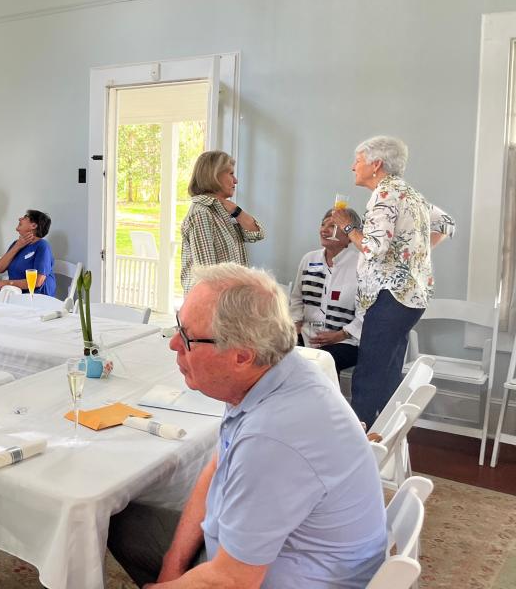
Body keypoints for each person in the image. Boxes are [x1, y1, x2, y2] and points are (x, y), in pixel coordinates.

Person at [108, 263, 387, 589]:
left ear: (240, 356)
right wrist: (172, 566)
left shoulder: (271, 438)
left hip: (280, 577)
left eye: (186, 337)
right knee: (121, 520)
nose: (173, 344)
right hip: (267, 558)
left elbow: (231, 580)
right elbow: (217, 466)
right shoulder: (275, 371)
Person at [331, 135, 455, 426]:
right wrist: (412, 254)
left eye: (358, 160)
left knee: (369, 375)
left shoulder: (384, 194)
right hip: (410, 299)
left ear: (376, 165)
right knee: (386, 374)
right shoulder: (410, 193)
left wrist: (348, 226)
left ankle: (361, 449)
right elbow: (448, 224)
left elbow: (373, 249)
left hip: (390, 298)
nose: (353, 167)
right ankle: (386, 438)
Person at [289, 208, 363, 374]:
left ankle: (324, 399)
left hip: (346, 342)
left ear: (350, 236)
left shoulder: (361, 265)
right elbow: (297, 299)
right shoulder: (309, 259)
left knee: (318, 364)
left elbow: (366, 312)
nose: (324, 230)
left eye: (333, 226)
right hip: (307, 336)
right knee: (276, 354)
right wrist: (296, 326)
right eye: (323, 224)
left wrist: (341, 334)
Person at [180, 151, 264, 294]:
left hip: (225, 305)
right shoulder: (202, 213)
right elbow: (208, 276)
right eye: (231, 174)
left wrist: (236, 211)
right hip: (211, 308)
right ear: (214, 176)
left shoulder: (221, 210)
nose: (236, 180)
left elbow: (256, 234)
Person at [0, 210, 56, 296]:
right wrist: (17, 246)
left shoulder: (42, 246)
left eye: (25, 217)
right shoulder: (16, 243)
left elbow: (37, 282)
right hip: (17, 295)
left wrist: (7, 283)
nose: (20, 219)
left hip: (38, 298)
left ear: (34, 225)